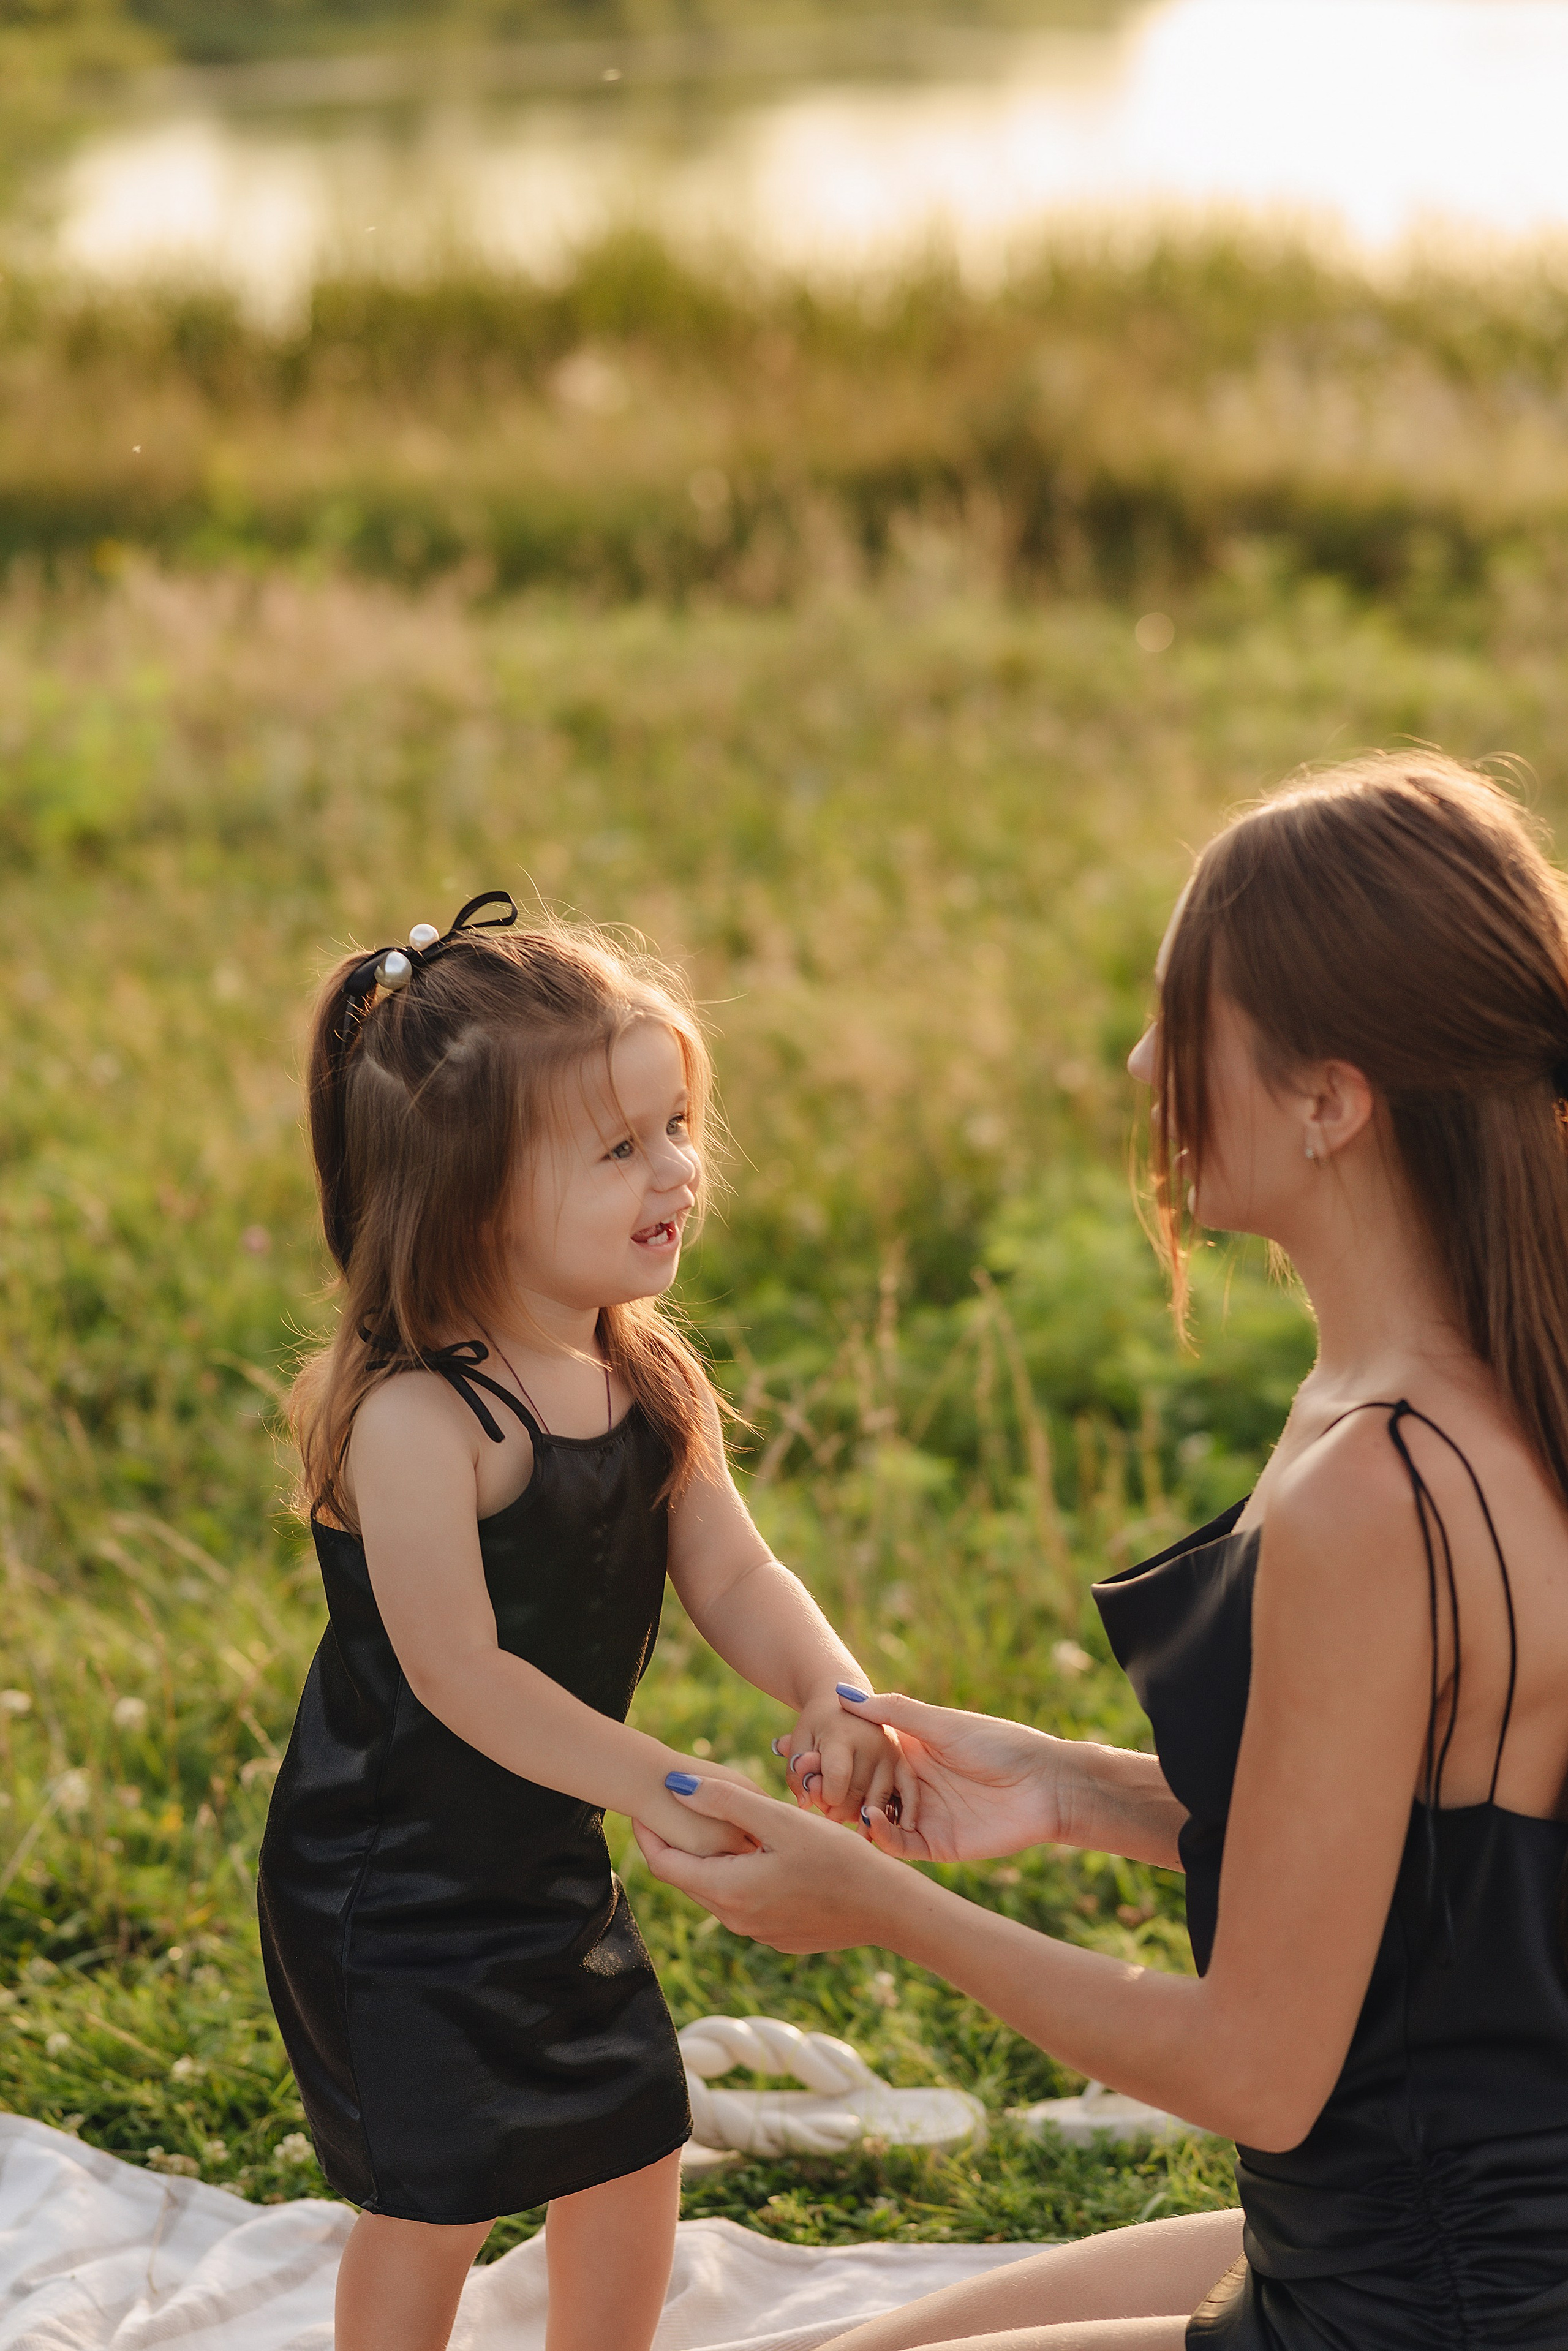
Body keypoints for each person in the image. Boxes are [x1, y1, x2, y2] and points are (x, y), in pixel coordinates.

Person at [639, 755, 1568, 2349]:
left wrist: (878, 1903)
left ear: (1331, 1098)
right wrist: (1069, 1786)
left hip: (1430, 2298)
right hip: (1450, 2219)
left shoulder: (1382, 1482)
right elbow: (1441, 1866)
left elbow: (1255, 2064)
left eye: (1183, 1023)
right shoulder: (1482, 1374)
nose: (1144, 1060)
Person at [256, 896, 910, 2351]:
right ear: (473, 1191)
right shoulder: (422, 1417)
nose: (675, 1167)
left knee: (628, 2132)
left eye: (676, 1123)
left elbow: (733, 1574)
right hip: (395, 1881)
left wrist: (832, 1686)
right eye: (618, 1148)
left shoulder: (642, 1372)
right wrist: (671, 1781)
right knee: (435, 2188)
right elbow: (460, 1673)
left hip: (542, 1854)